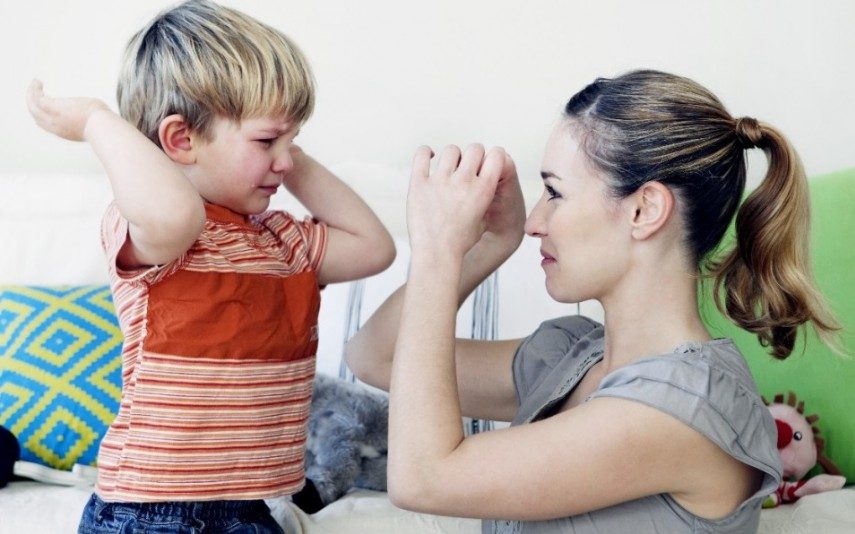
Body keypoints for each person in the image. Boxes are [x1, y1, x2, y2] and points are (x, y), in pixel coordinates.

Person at [344, 69, 842, 533]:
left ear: (644, 209)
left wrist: (437, 251)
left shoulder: (684, 409)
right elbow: (374, 356)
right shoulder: (574, 355)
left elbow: (423, 479)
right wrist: (489, 245)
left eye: (554, 193)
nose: (535, 221)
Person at [26, 1, 395, 532]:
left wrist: (278, 141)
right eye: (268, 141)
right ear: (181, 140)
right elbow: (178, 212)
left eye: (294, 142)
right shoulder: (153, 228)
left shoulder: (282, 243)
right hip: (149, 512)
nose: (287, 162)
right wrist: (96, 122)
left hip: (253, 509)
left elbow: (373, 247)